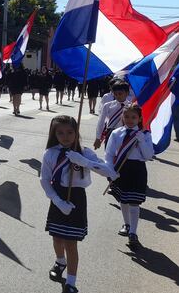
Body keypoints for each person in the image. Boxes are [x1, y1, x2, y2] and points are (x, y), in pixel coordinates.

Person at [41, 115, 116, 293]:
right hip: (58, 197)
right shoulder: (50, 153)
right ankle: (60, 262)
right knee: (57, 238)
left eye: (69, 132)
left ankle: (71, 283)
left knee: (71, 242)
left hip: (77, 198)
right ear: (54, 134)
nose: (65, 136)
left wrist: (84, 162)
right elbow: (44, 180)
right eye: (60, 133)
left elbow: (110, 172)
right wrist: (58, 201)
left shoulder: (85, 152)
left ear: (76, 132)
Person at [104, 104, 153, 250]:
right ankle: (126, 224)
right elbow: (109, 153)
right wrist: (110, 170)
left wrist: (142, 141)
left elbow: (148, 155)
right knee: (123, 199)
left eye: (133, 117)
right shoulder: (116, 133)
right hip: (121, 169)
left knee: (134, 202)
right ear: (122, 117)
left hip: (137, 170)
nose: (130, 120)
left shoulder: (145, 134)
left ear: (139, 119)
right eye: (126, 117)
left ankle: (133, 233)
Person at [94, 80, 132, 149]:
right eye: (115, 94)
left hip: (126, 134)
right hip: (110, 133)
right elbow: (101, 122)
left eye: (120, 94)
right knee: (109, 156)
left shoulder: (131, 107)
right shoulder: (108, 106)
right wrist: (98, 138)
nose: (117, 96)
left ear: (127, 93)